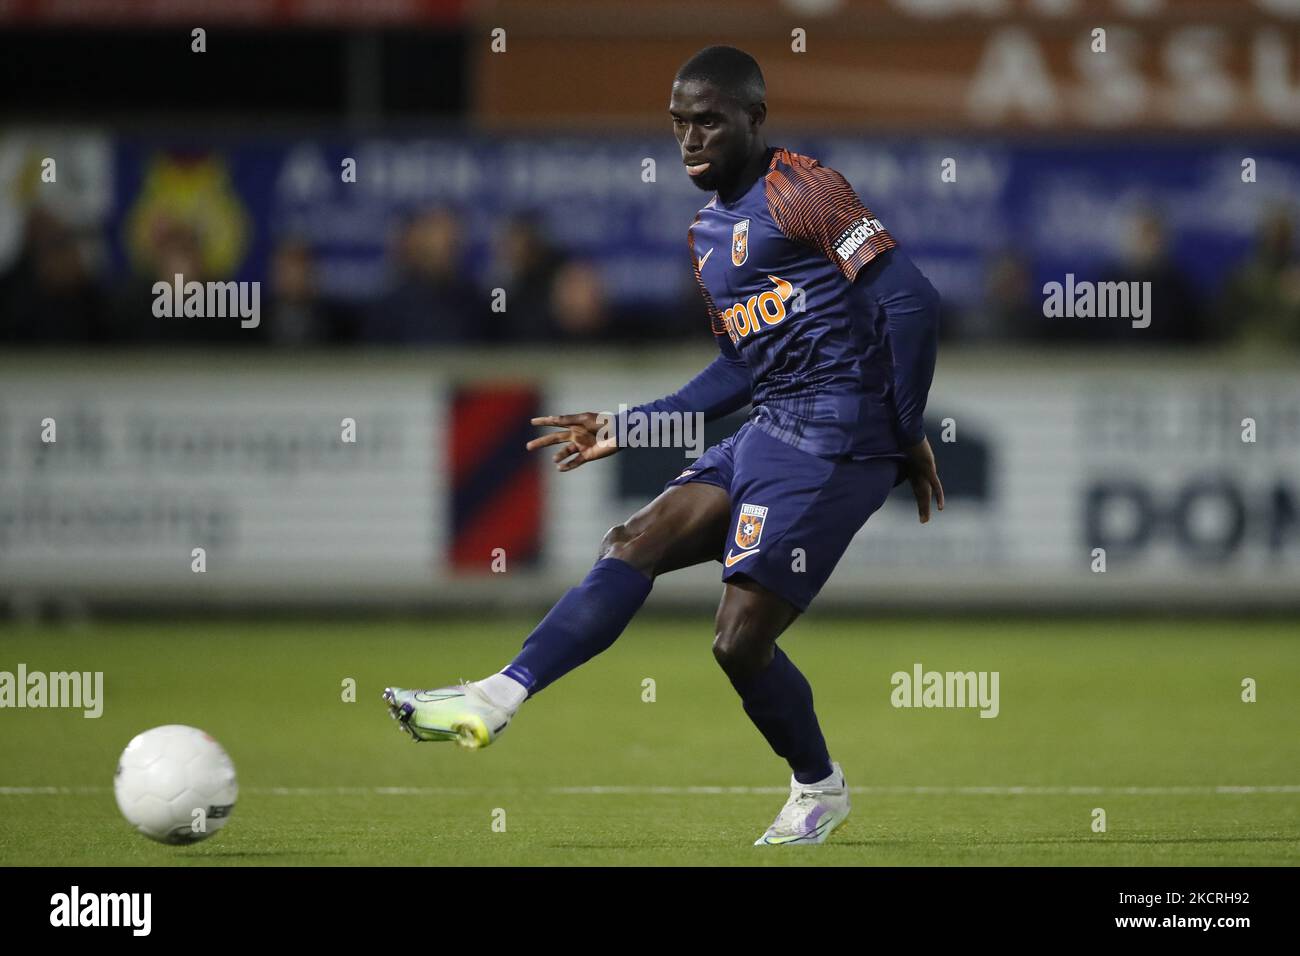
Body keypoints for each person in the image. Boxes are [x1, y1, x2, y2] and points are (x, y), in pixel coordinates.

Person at [383, 46, 943, 847]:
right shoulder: (707, 234)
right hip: (771, 424)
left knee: (737, 640)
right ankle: (494, 697)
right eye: (679, 123)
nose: (689, 138)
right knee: (633, 540)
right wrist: (625, 425)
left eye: (708, 121)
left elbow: (911, 301)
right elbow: (737, 369)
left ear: (755, 118)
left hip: (834, 435)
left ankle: (819, 789)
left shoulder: (804, 188)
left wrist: (903, 424)